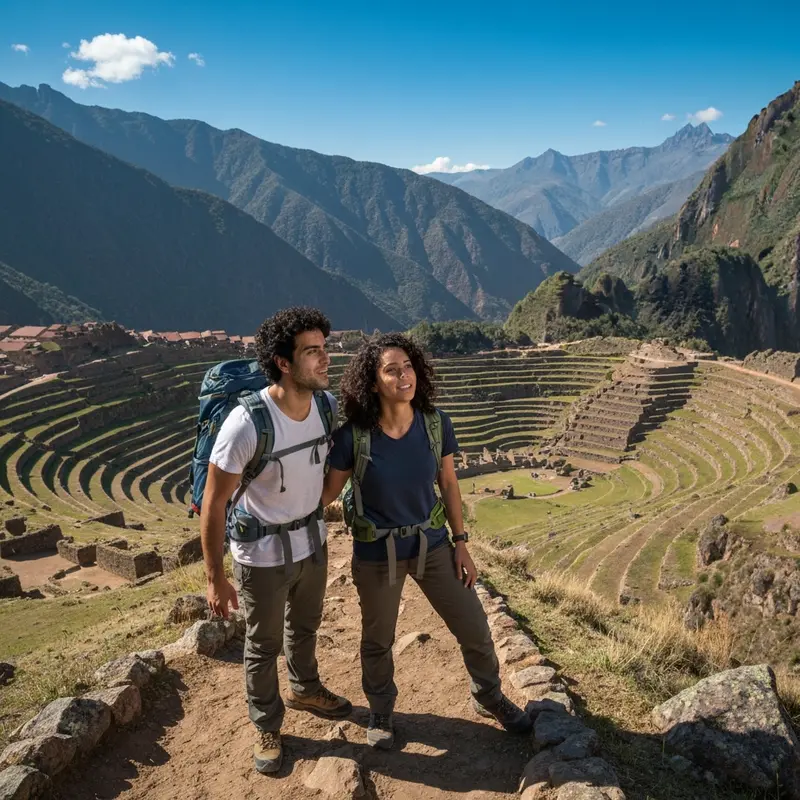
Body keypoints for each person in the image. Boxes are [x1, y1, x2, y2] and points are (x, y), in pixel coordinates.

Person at [322, 333, 531, 749]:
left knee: (474, 626)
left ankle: (488, 696)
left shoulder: (436, 424)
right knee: (378, 638)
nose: (404, 376)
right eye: (391, 369)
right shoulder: (355, 437)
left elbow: (449, 484)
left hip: (433, 545)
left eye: (409, 367)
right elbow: (325, 495)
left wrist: (462, 542)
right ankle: (381, 709)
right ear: (373, 380)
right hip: (377, 554)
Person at [201, 307, 352, 776]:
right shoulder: (246, 426)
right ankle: (267, 724)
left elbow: (326, 476)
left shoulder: (323, 406)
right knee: (263, 646)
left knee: (304, 629)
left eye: (324, 349)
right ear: (283, 363)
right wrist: (215, 577)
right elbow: (213, 504)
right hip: (261, 555)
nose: (325, 359)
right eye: (312, 352)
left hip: (312, 542)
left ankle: (305, 687)